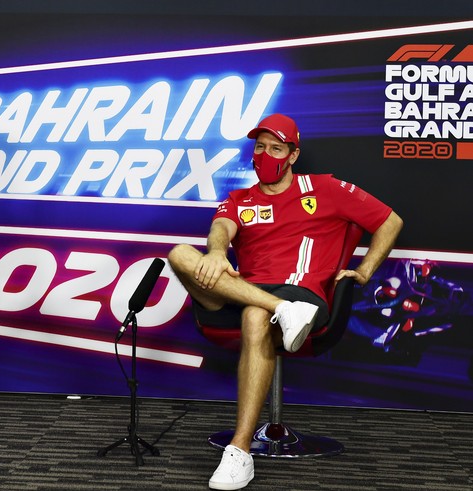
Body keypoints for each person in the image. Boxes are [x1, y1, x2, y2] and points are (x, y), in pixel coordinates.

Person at [167, 114, 403, 490]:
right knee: (181, 253)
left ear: (293, 154)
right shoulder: (240, 198)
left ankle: (240, 451)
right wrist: (215, 253)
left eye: (276, 148)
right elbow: (221, 229)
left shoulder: (324, 188)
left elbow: (390, 221)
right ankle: (279, 310)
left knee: (254, 315)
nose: (265, 155)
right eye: (259, 147)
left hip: (301, 292)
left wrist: (364, 271)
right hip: (245, 290)